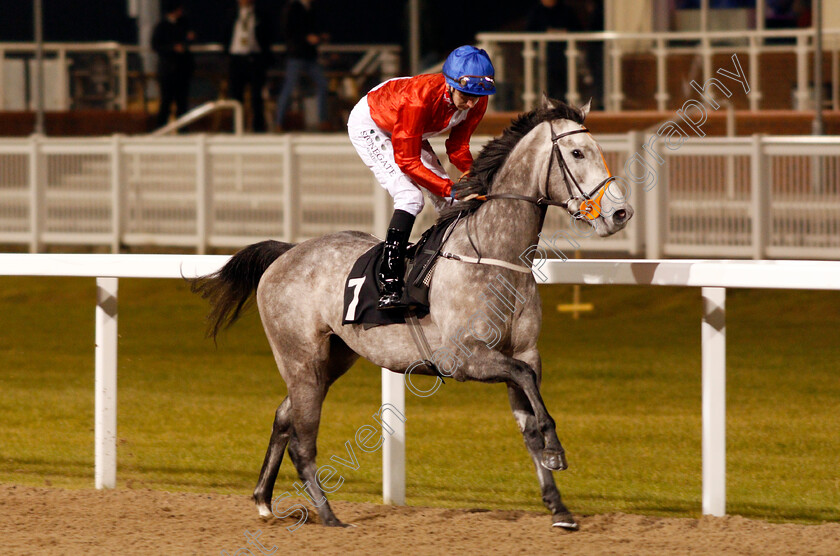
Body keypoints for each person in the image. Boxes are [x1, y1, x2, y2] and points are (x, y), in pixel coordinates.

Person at [347, 45, 496, 310]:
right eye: (466, 95)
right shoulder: (420, 98)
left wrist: (471, 178)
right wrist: (450, 187)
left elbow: (458, 147)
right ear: (450, 84)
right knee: (410, 197)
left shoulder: (477, 98)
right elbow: (407, 161)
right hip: (373, 124)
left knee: (452, 204)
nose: (472, 103)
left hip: (409, 127)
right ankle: (389, 282)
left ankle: (441, 270)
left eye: (478, 96)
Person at [275, 0, 330, 131]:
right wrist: (306, 38)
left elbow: (314, 29)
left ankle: (323, 121)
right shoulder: (292, 8)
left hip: (310, 56)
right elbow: (288, 30)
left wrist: (319, 37)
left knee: (323, 84)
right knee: (289, 88)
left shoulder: (312, 9)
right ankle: (279, 122)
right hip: (296, 56)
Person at [224, 0, 274, 132]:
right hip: (236, 59)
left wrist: (265, 56)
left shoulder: (260, 14)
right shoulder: (232, 13)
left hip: (255, 59)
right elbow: (225, 33)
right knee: (236, 96)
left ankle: (258, 128)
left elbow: (268, 35)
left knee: (257, 96)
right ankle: (237, 127)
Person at [151, 0, 195, 129]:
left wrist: (187, 41)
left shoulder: (184, 23)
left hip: (183, 69)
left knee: (182, 102)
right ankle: (161, 129)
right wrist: (172, 48)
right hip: (168, 70)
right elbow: (155, 45)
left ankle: (183, 130)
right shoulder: (162, 26)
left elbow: (190, 39)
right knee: (166, 101)